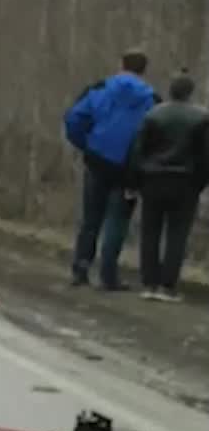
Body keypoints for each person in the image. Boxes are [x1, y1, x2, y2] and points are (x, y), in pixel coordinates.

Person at [64, 49, 156, 290]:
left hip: (97, 161)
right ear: (144, 70)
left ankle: (81, 268)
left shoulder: (100, 90)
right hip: (129, 168)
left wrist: (86, 144)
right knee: (118, 221)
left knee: (91, 218)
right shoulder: (152, 99)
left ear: (121, 65)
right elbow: (155, 136)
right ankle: (108, 275)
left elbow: (74, 119)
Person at [130, 72, 209, 302]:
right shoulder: (202, 118)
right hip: (185, 181)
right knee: (177, 234)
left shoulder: (153, 115)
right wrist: (200, 182)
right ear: (190, 93)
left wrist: (135, 180)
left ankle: (149, 283)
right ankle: (168, 285)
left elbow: (138, 151)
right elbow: (206, 156)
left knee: (150, 231)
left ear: (170, 90)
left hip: (153, 179)